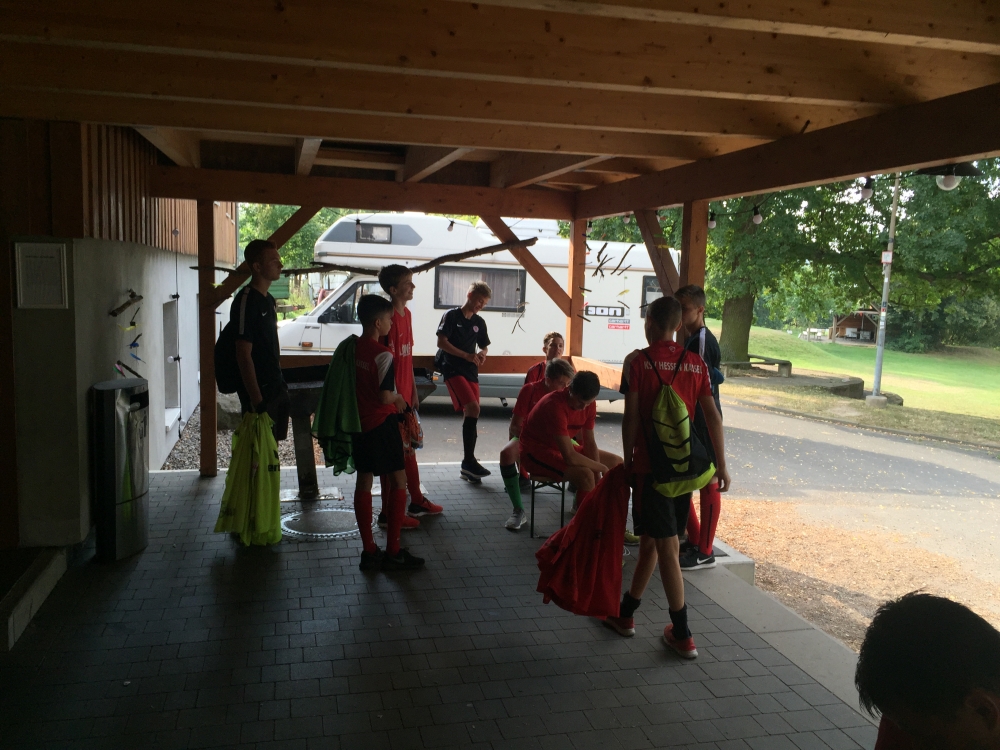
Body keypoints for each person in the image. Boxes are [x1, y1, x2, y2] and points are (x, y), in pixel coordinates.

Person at [604, 296, 729, 658]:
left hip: (651, 471)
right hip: (682, 469)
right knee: (652, 542)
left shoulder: (637, 361)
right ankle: (625, 613)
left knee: (668, 548)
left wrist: (629, 461)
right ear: (677, 325)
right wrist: (721, 465)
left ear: (648, 323)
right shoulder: (695, 363)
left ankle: (683, 632)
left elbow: (630, 418)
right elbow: (713, 417)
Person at [856, 592, 1000, 750]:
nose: (915, 747)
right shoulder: (913, 704)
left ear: (983, 711)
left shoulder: (922, 720)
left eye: (933, 742)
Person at [351, 294, 425, 572]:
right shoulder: (383, 354)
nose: (392, 324)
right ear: (378, 323)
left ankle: (369, 550)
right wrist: (398, 398)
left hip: (360, 424)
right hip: (382, 424)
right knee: (398, 482)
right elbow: (384, 396)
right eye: (389, 320)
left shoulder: (353, 348)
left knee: (364, 482)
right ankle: (394, 551)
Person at [376, 265, 442, 530]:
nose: (413, 287)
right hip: (392, 400)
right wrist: (394, 397)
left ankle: (416, 500)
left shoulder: (408, 315)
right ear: (393, 290)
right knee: (393, 458)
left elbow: (407, 356)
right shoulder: (386, 319)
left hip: (405, 397)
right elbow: (384, 364)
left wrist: (413, 390)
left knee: (409, 451)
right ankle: (387, 513)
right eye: (408, 283)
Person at [674, 284, 724, 571]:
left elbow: (703, 385)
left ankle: (705, 550)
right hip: (694, 418)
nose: (681, 314)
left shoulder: (702, 340)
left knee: (708, 478)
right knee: (691, 477)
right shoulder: (692, 338)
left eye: (685, 309)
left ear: (700, 309)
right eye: (677, 308)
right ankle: (695, 541)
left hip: (704, 419)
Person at [518, 371, 622, 507]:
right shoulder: (554, 405)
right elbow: (570, 457)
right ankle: (584, 517)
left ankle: (607, 512)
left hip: (560, 448)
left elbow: (589, 442)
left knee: (617, 463)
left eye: (588, 403)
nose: (583, 408)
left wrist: (598, 474)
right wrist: (600, 467)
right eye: (580, 402)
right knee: (586, 475)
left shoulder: (588, 404)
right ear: (570, 389)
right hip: (535, 453)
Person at [499, 358, 575, 530]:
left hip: (559, 438)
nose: (565, 388)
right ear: (548, 380)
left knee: (589, 455)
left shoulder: (566, 395)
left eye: (568, 384)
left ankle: (580, 504)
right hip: (529, 438)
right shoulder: (530, 390)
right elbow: (515, 426)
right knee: (506, 453)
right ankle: (518, 509)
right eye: (561, 383)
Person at [232, 239, 290, 443]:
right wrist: (257, 400)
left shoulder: (269, 300)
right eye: (274, 261)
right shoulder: (246, 301)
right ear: (257, 267)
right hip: (259, 393)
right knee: (258, 451)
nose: (280, 265)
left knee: (272, 449)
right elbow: (243, 354)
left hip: (275, 386)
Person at [435, 281, 493, 483]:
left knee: (472, 412)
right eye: (479, 300)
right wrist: (466, 355)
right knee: (473, 408)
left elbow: (484, 346)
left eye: (484, 303)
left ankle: (468, 465)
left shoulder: (479, 322)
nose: (480, 305)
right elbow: (441, 342)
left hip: (470, 370)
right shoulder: (451, 315)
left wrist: (482, 353)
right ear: (469, 295)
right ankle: (469, 461)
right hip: (452, 367)